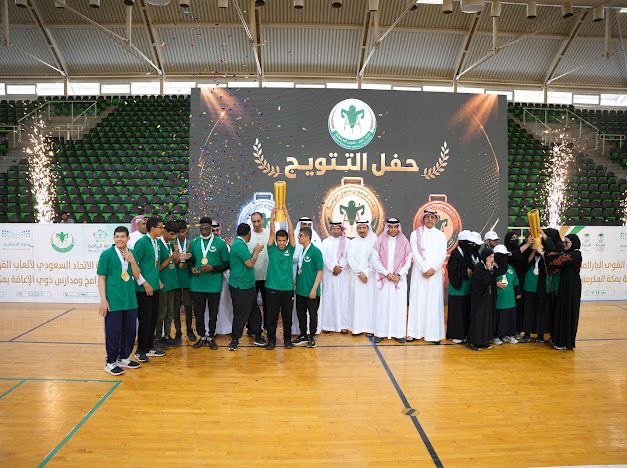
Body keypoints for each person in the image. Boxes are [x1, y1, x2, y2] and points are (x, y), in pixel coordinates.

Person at [97, 226, 141, 375]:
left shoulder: (132, 253)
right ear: (113, 238)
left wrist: (132, 261)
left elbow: (137, 275)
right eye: (117, 237)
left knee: (130, 331)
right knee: (113, 332)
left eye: (122, 236)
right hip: (113, 300)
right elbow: (101, 277)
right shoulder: (107, 254)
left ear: (128, 238)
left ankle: (124, 358)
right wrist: (103, 300)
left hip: (130, 299)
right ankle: (110, 362)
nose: (119, 239)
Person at [189, 216, 230, 350]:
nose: (204, 231)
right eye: (202, 229)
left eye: (207, 228)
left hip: (214, 284)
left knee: (213, 312)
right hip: (197, 284)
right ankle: (202, 337)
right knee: (198, 312)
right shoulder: (194, 243)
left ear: (211, 229)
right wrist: (192, 268)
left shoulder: (220, 243)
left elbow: (227, 264)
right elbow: (190, 261)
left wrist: (213, 268)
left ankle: (211, 337)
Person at [408, 209, 447, 344]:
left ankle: (433, 335)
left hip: (434, 274)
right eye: (427, 217)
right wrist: (424, 269)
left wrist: (433, 269)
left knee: (433, 303)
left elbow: (442, 254)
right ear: (423, 219)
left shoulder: (441, 235)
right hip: (419, 273)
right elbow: (414, 252)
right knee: (417, 301)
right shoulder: (415, 234)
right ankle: (414, 333)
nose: (430, 219)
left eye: (432, 217)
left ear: (436, 220)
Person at [371, 218, 412, 343]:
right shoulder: (379, 241)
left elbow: (408, 261)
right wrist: (386, 273)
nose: (393, 229)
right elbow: (374, 260)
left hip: (399, 280)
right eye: (390, 227)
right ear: (387, 228)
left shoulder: (404, 242)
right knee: (382, 306)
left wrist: (399, 274)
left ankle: (398, 333)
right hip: (384, 279)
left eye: (395, 227)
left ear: (398, 227)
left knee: (398, 307)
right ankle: (380, 333)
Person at [228, 223, 266, 351]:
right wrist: (256, 251)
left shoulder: (240, 245)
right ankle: (235, 340)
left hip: (247, 286)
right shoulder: (239, 245)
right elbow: (250, 263)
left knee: (254, 312)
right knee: (241, 314)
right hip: (241, 287)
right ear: (249, 233)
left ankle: (257, 335)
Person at [133, 216, 165, 362]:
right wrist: (144, 283)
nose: (162, 229)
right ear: (152, 228)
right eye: (160, 227)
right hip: (144, 289)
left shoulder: (156, 242)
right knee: (145, 320)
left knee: (153, 319)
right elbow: (134, 265)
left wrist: (157, 279)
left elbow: (154, 264)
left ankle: (149, 346)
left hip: (155, 287)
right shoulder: (141, 243)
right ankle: (140, 350)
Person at [265, 207, 296, 350]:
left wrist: (287, 216)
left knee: (287, 317)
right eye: (280, 240)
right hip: (272, 288)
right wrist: (272, 217)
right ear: (276, 241)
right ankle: (271, 341)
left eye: (284, 240)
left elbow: (292, 233)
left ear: (287, 241)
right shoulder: (271, 249)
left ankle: (287, 341)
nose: (282, 243)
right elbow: (272, 232)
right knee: (272, 317)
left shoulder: (290, 249)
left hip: (287, 289)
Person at [547, 234, 582, 350]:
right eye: (564, 242)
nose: (564, 245)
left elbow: (559, 260)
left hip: (571, 287)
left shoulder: (576, 255)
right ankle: (558, 339)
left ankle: (564, 342)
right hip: (564, 285)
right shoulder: (567, 254)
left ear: (574, 243)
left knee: (568, 311)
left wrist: (546, 254)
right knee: (561, 310)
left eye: (567, 242)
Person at [521, 228, 556, 343]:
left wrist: (542, 252)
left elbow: (550, 260)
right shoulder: (530, 251)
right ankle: (527, 332)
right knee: (529, 310)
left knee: (541, 310)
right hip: (530, 285)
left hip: (543, 285)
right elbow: (526, 262)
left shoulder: (548, 252)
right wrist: (534, 250)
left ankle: (540, 333)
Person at [293, 226, 324, 348]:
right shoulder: (301, 251)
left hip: (311, 291)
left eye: (300, 236)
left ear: (307, 237)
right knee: (301, 313)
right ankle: (303, 334)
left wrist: (314, 289)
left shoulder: (316, 251)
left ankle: (312, 336)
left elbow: (320, 271)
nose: (298, 237)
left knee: (312, 314)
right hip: (300, 290)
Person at [346, 220, 377, 336]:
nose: (362, 230)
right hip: (357, 277)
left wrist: (367, 273)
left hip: (370, 277)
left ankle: (370, 328)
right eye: (359, 228)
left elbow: (375, 260)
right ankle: (357, 328)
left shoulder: (374, 242)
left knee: (370, 302)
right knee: (357, 302)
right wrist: (360, 273)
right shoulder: (352, 242)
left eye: (364, 228)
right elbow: (350, 259)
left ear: (368, 229)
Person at [319, 220, 350, 333]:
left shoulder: (347, 242)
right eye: (333, 229)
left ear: (341, 230)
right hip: (329, 275)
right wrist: (333, 267)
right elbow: (323, 257)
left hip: (342, 275)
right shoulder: (325, 242)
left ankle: (343, 325)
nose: (336, 231)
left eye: (338, 229)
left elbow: (349, 257)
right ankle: (328, 325)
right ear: (330, 230)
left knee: (343, 299)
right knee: (329, 298)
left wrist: (340, 267)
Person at [503, 231, 534, 336]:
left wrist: (533, 248)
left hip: (520, 280)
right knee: (509, 306)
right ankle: (507, 330)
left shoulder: (520, 249)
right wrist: (528, 244)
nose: (515, 240)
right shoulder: (506, 251)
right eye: (513, 238)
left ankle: (517, 329)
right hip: (509, 282)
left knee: (519, 306)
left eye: (516, 237)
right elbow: (514, 255)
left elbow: (525, 261)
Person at [446, 230, 474, 344]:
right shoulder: (455, 254)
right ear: (462, 242)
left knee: (465, 312)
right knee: (457, 313)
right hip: (457, 289)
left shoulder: (467, 253)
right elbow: (452, 271)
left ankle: (464, 333)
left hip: (466, 289)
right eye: (469, 242)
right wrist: (465, 272)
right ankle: (455, 334)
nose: (471, 245)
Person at [156, 221, 181, 347]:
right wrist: (171, 258)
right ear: (164, 231)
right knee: (162, 312)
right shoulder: (158, 245)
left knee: (170, 312)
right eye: (171, 234)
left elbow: (173, 265)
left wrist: (177, 257)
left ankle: (167, 335)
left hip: (172, 282)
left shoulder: (170, 245)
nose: (172, 237)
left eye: (174, 235)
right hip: (162, 283)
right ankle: (158, 337)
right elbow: (158, 268)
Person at [467, 248, 497, 351]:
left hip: (485, 297)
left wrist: (491, 270)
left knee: (485, 319)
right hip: (478, 298)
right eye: (491, 257)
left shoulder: (489, 267)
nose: (492, 259)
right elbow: (484, 281)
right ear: (485, 257)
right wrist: (489, 270)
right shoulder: (479, 267)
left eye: (493, 257)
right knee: (477, 319)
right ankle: (472, 342)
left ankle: (482, 341)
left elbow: (491, 281)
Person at [247, 212, 270, 334]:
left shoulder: (269, 234)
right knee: (251, 304)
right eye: (254, 221)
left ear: (263, 220)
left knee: (268, 304)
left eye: (258, 221)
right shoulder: (248, 236)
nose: (256, 224)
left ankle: (267, 327)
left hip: (267, 276)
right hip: (252, 276)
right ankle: (252, 328)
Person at [494, 244, 521, 344]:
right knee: (499, 319)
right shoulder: (492, 269)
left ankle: (509, 335)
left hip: (510, 300)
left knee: (510, 319)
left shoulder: (510, 268)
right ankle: (496, 336)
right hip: (499, 301)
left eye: (505, 256)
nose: (504, 258)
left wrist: (518, 292)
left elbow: (516, 281)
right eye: (502, 256)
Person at [174, 220, 195, 343]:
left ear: (186, 231)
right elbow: (170, 263)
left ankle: (189, 329)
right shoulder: (172, 244)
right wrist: (179, 257)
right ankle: (178, 331)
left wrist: (189, 258)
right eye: (178, 232)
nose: (181, 234)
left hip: (188, 280)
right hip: (176, 280)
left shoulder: (191, 244)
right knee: (175, 307)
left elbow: (194, 261)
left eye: (183, 231)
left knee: (188, 305)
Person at [212, 221, 234, 336]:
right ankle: (213, 329)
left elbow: (231, 262)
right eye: (213, 230)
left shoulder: (225, 245)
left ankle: (227, 328)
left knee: (225, 304)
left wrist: (231, 247)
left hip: (225, 280)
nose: (215, 233)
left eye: (217, 230)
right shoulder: (203, 245)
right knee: (212, 306)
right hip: (211, 281)